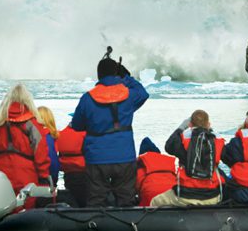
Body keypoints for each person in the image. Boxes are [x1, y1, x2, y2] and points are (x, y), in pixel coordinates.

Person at [71, 48, 149, 207]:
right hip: (124, 157)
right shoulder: (129, 95)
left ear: (99, 75)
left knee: (96, 201)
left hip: (97, 158)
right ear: (116, 74)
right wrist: (125, 77)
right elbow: (143, 92)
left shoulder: (87, 98)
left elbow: (77, 126)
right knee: (126, 201)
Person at [0, 84, 50, 208]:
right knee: (26, 209)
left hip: (1, 172)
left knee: (4, 209)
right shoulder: (32, 123)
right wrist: (43, 176)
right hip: (26, 173)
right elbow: (41, 152)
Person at [151, 109, 225, 206]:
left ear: (190, 125)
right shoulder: (218, 143)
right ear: (208, 124)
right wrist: (209, 129)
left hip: (185, 196)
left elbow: (169, 146)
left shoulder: (182, 142)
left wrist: (181, 128)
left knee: (155, 201)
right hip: (212, 196)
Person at [135, 137, 177, 206]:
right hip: (172, 198)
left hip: (150, 201)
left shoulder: (139, 167)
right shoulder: (169, 164)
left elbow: (131, 190)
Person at [56, 121, 89, 207]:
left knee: (72, 198)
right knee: (84, 200)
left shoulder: (60, 134)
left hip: (68, 173)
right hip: (82, 171)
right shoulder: (84, 134)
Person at [37, 106, 60, 186]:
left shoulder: (37, 137)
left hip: (37, 179)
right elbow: (53, 162)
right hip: (47, 179)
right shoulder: (49, 137)